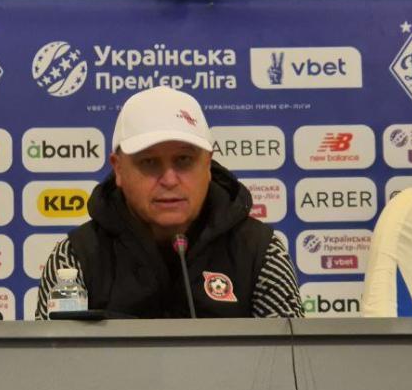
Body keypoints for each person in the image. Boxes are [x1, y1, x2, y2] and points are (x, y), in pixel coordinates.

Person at [36, 86, 302, 319]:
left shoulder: (259, 252)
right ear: (118, 169)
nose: (170, 179)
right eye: (149, 162)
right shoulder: (74, 258)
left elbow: (292, 357)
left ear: (208, 164)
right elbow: (52, 358)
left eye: (184, 160)